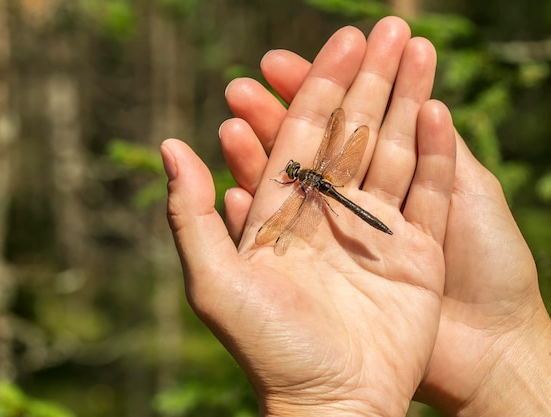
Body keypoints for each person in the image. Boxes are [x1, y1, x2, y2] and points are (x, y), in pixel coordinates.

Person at [161, 16, 551, 417]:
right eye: (295, 172)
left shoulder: (302, 189)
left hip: (330, 196)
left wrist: (505, 349)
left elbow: (290, 205)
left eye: (294, 171)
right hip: (334, 192)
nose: (294, 171)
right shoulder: (315, 179)